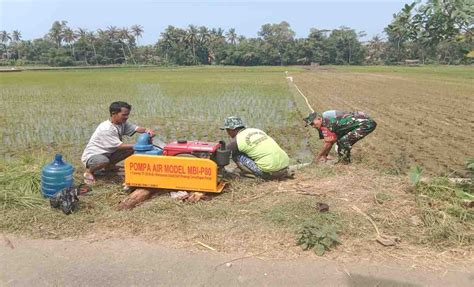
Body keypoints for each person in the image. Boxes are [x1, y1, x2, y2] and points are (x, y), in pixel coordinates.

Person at [81, 101, 154, 184]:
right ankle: (89, 171)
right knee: (103, 161)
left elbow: (137, 128)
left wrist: (147, 130)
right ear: (114, 114)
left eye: (127, 114)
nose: (127, 117)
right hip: (94, 156)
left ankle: (108, 167)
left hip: (108, 152)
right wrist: (141, 145)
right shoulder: (106, 129)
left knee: (131, 149)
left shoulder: (121, 123)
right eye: (124, 115)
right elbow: (120, 146)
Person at [220, 116, 291, 180]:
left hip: (270, 174)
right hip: (284, 168)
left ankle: (251, 176)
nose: (227, 133)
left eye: (227, 130)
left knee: (236, 155)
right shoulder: (256, 130)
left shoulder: (237, 140)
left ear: (231, 129)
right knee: (250, 150)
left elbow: (222, 155)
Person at [304, 111, 376, 163]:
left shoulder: (327, 123)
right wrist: (325, 155)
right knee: (340, 140)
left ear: (319, 119)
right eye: (311, 125)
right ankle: (343, 161)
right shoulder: (323, 123)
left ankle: (344, 164)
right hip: (359, 123)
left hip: (366, 124)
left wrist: (318, 157)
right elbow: (331, 141)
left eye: (312, 123)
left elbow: (328, 143)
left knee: (343, 141)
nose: (313, 126)